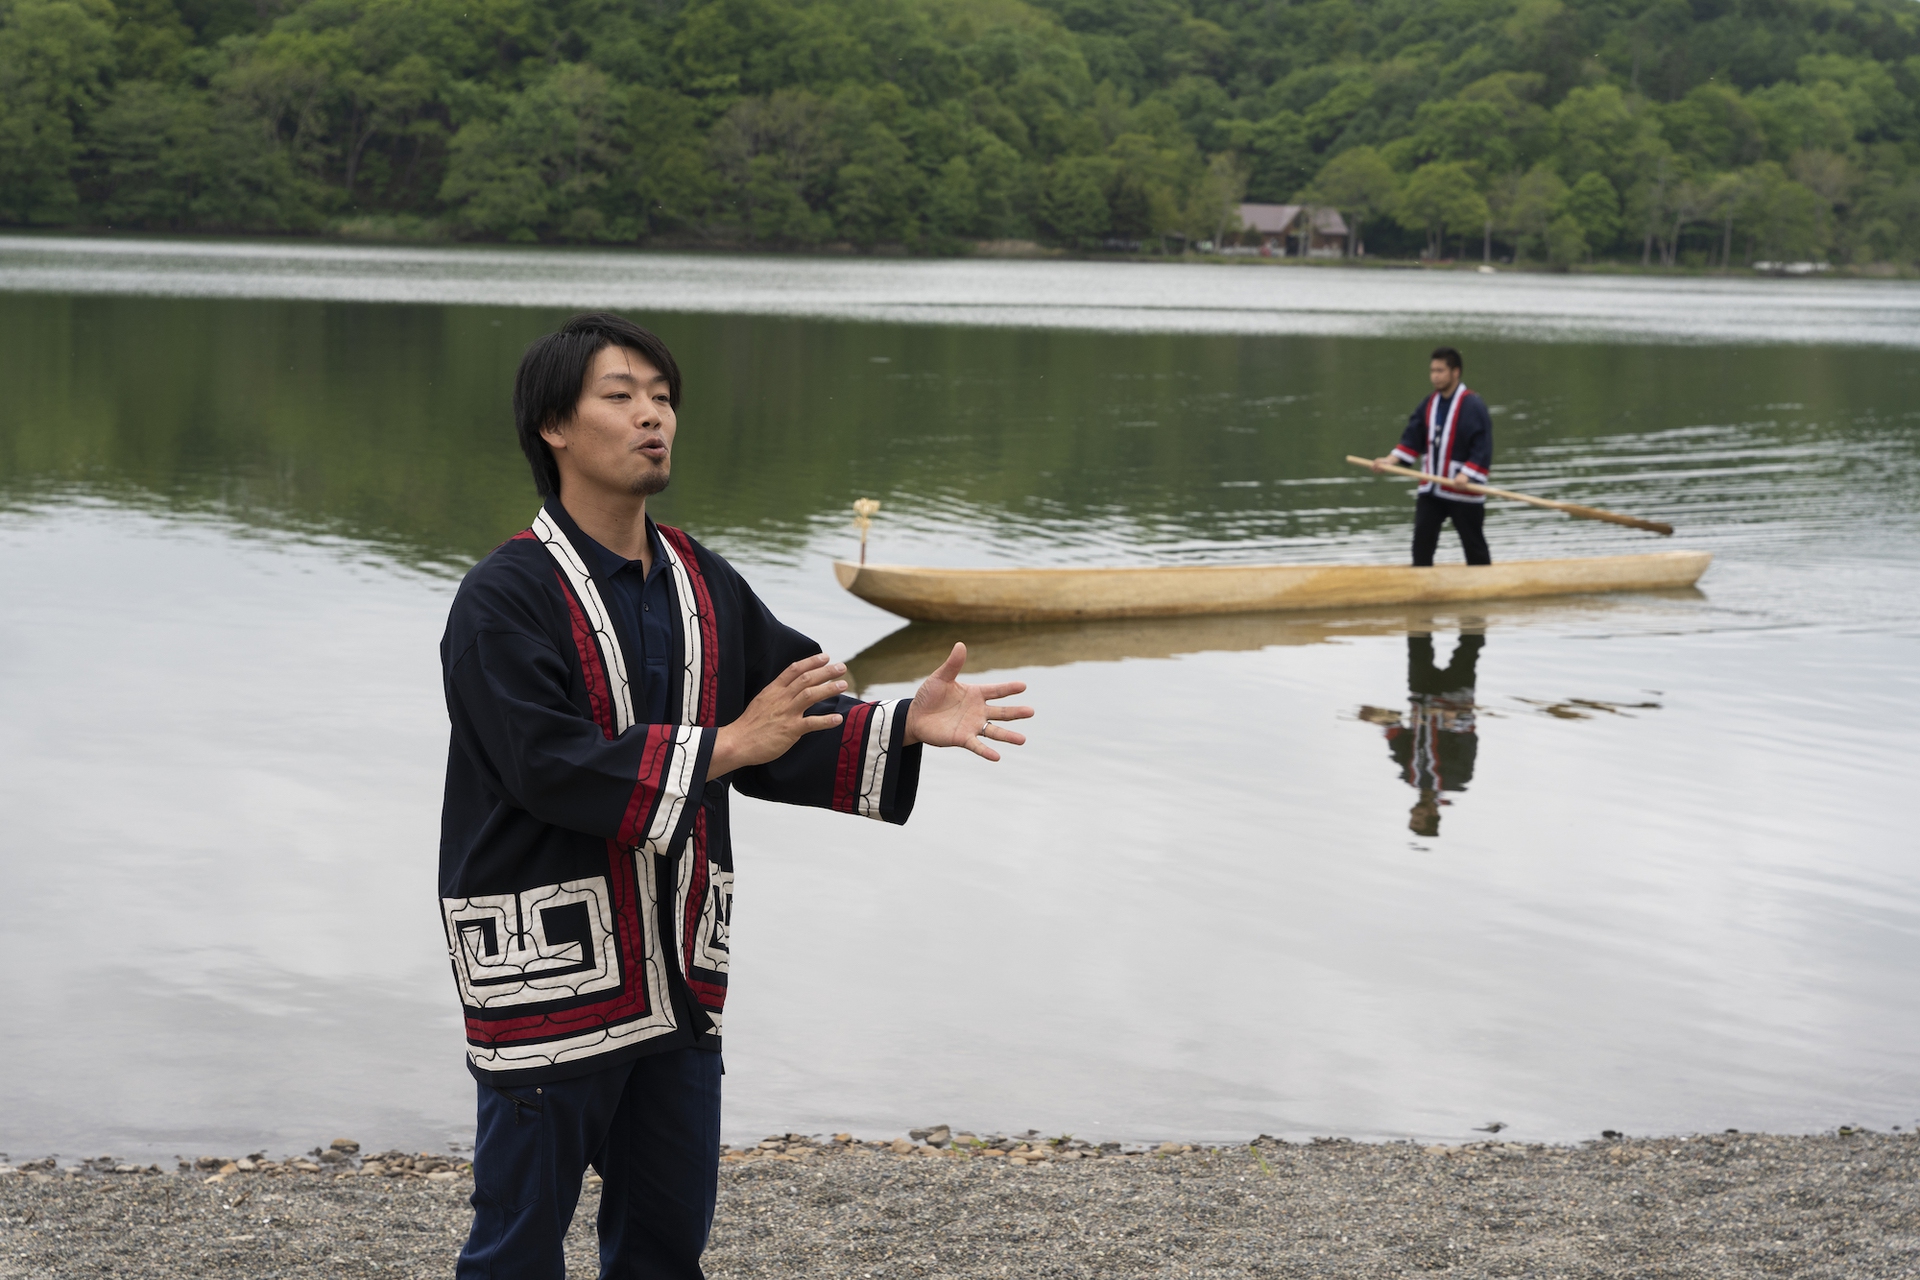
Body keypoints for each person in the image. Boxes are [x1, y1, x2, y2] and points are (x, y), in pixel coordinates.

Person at [437, 312, 1033, 1279]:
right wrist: (725, 742)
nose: (651, 418)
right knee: (515, 1249)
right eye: (621, 397)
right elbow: (548, 766)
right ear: (554, 425)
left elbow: (781, 723)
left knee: (668, 1247)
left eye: (663, 399)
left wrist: (900, 723)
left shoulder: (702, 582)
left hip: (677, 978)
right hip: (547, 980)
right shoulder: (502, 600)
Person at [1372, 346, 1493, 566]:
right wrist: (1389, 460)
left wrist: (1467, 474)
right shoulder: (1429, 404)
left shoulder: (1473, 404)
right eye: (1432, 371)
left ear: (1455, 372)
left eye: (1440, 371)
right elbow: (1412, 438)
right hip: (1432, 489)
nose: (1435, 376)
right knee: (1421, 543)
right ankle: (1422, 583)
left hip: (1462, 490)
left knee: (1473, 545)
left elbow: (1482, 446)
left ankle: (1484, 581)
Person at [1381, 630, 1484, 837]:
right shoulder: (1457, 780)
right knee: (1468, 648)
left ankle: (1418, 615)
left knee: (1417, 649)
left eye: (1412, 817)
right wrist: (1454, 719)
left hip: (1422, 694)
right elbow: (1469, 738)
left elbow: (1398, 740)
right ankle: (1473, 617)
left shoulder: (1410, 777)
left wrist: (1382, 721)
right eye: (1418, 817)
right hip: (1456, 696)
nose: (1413, 811)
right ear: (1433, 814)